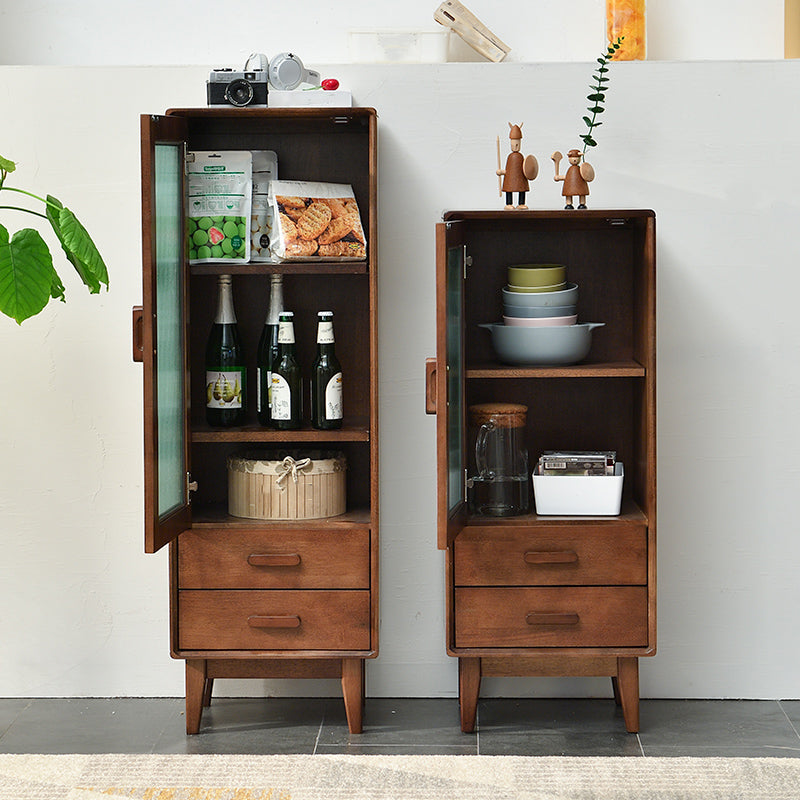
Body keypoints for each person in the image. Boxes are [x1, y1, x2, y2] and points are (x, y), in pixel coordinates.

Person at [497, 123, 538, 209]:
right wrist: (501, 172)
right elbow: (507, 170)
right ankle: (509, 204)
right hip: (510, 178)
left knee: (522, 189)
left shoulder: (521, 156)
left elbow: (525, 167)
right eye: (513, 144)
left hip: (521, 177)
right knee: (509, 189)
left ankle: (521, 203)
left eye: (517, 143)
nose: (515, 146)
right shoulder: (510, 157)